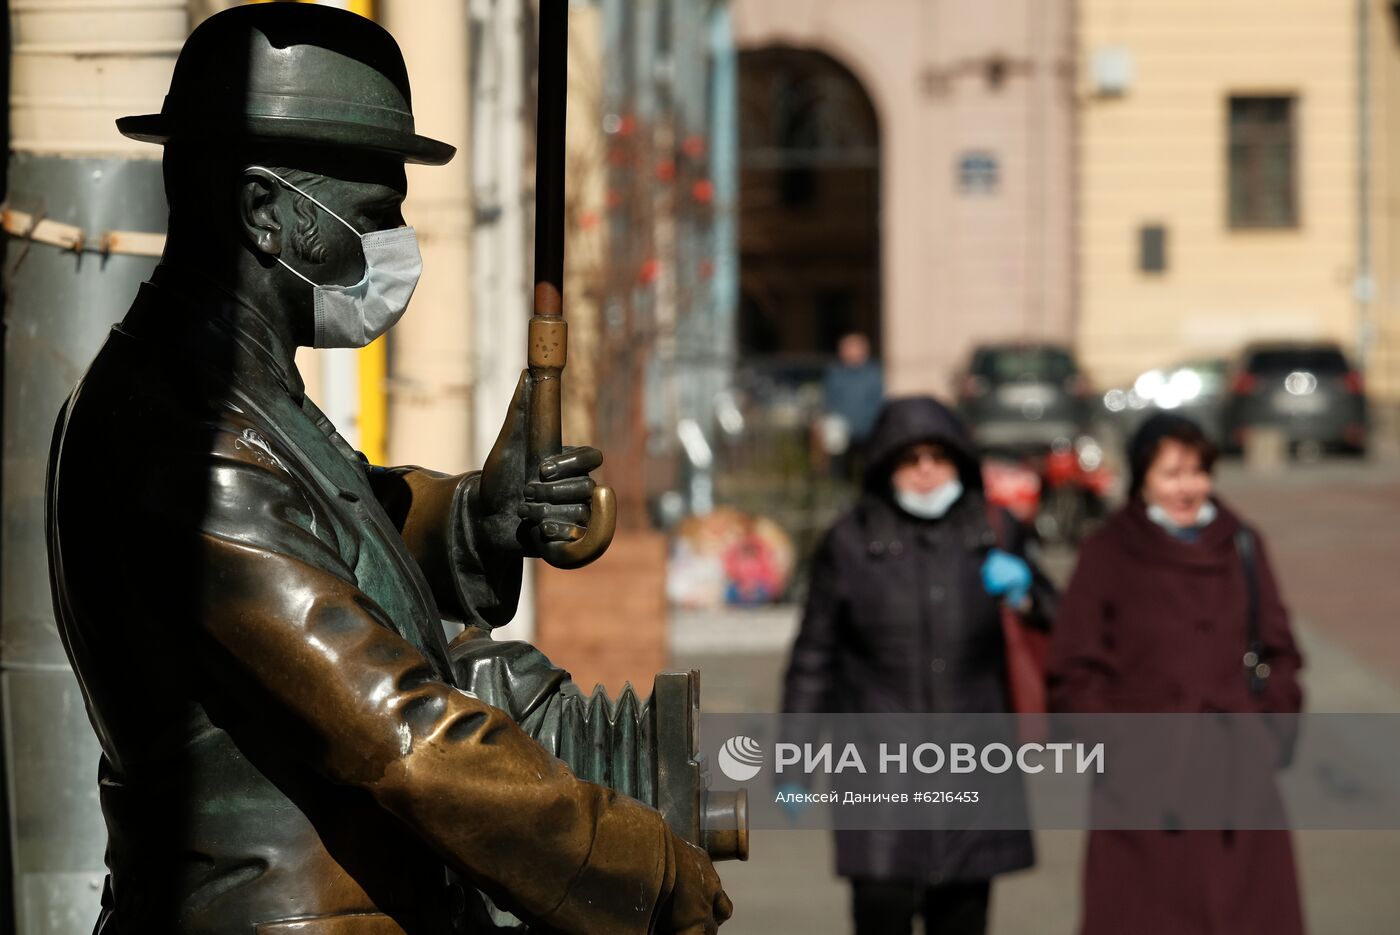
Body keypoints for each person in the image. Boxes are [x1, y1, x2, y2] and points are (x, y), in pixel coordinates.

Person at [44, 6, 728, 934]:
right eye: (373, 215)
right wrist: (641, 870)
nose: (397, 245)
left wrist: (479, 515)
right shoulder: (187, 442)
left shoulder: (235, 392)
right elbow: (400, 735)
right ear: (265, 213)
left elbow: (333, 512)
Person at [782, 396, 1056, 935]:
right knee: (881, 908)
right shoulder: (850, 542)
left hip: (974, 762)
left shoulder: (994, 531)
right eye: (911, 459)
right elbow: (814, 658)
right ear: (886, 466)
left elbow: (1063, 622)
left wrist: (1026, 594)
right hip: (877, 766)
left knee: (963, 916)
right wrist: (793, 761)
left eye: (938, 457)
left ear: (961, 462)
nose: (926, 471)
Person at [1047, 412, 1305, 935]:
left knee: (1245, 913)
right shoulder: (1109, 550)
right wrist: (1115, 745)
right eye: (1171, 474)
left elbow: (1279, 648)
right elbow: (1073, 667)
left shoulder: (1242, 544)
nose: (1186, 488)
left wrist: (1269, 729)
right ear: (1142, 477)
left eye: (1197, 472)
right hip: (1143, 788)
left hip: (1239, 780)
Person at [821, 333, 885, 479]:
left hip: (867, 430)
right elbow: (829, 401)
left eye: (854, 348)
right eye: (846, 348)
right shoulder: (835, 374)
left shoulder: (873, 373)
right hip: (841, 431)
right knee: (841, 469)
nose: (850, 352)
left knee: (869, 466)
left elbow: (878, 401)